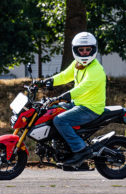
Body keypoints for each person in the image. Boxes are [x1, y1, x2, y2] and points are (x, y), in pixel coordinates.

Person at [36, 32, 106, 166]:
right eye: (81, 50)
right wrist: (46, 81)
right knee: (51, 112)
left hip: (90, 108)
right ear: (75, 50)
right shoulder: (77, 64)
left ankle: (80, 150)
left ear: (94, 49)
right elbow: (64, 76)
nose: (85, 53)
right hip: (78, 104)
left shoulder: (95, 70)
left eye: (88, 49)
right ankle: (60, 147)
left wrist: (62, 97)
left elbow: (81, 89)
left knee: (60, 120)